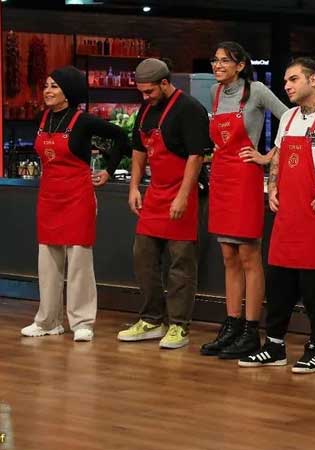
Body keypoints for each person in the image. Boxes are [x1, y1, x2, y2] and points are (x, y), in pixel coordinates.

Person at [238, 57, 315, 373]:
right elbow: (278, 155)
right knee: (279, 287)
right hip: (287, 218)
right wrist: (273, 186)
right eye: (286, 81)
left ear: (313, 80)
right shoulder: (289, 118)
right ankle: (274, 346)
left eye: (293, 80)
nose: (287, 86)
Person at [21, 65, 128, 342]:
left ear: (68, 92)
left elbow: (121, 137)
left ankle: (82, 322)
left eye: (54, 86)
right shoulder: (42, 118)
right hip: (49, 197)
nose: (47, 91)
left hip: (77, 197)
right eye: (46, 86)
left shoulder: (84, 121)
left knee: (79, 259)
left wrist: (108, 170)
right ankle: (48, 321)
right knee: (48, 261)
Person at [200, 42, 288, 360]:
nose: (218, 65)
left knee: (249, 256)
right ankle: (232, 325)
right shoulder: (214, 92)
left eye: (225, 61)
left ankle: (251, 330)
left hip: (245, 178)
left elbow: (290, 119)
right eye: (215, 60)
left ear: (240, 65)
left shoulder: (257, 91)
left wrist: (267, 156)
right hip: (221, 177)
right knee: (228, 256)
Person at [117, 58, 212, 349]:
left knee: (181, 262)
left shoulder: (189, 109)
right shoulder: (146, 109)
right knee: (143, 256)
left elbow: (196, 156)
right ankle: (152, 320)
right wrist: (134, 187)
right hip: (156, 192)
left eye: (149, 91)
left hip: (185, 191)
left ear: (165, 83)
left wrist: (183, 196)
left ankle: (179, 326)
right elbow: (138, 150)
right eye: (141, 92)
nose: (145, 97)